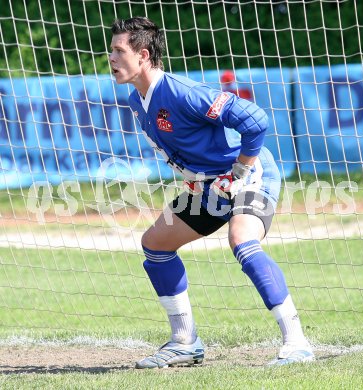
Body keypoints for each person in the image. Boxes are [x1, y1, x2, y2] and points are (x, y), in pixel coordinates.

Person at [109, 16, 315, 369]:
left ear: (143, 55)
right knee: (155, 244)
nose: (111, 58)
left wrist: (239, 171)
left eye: (118, 51)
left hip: (248, 174)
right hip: (208, 186)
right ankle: (185, 342)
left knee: (242, 241)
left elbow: (255, 120)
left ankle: (297, 342)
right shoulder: (136, 99)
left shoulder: (184, 93)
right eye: (110, 51)